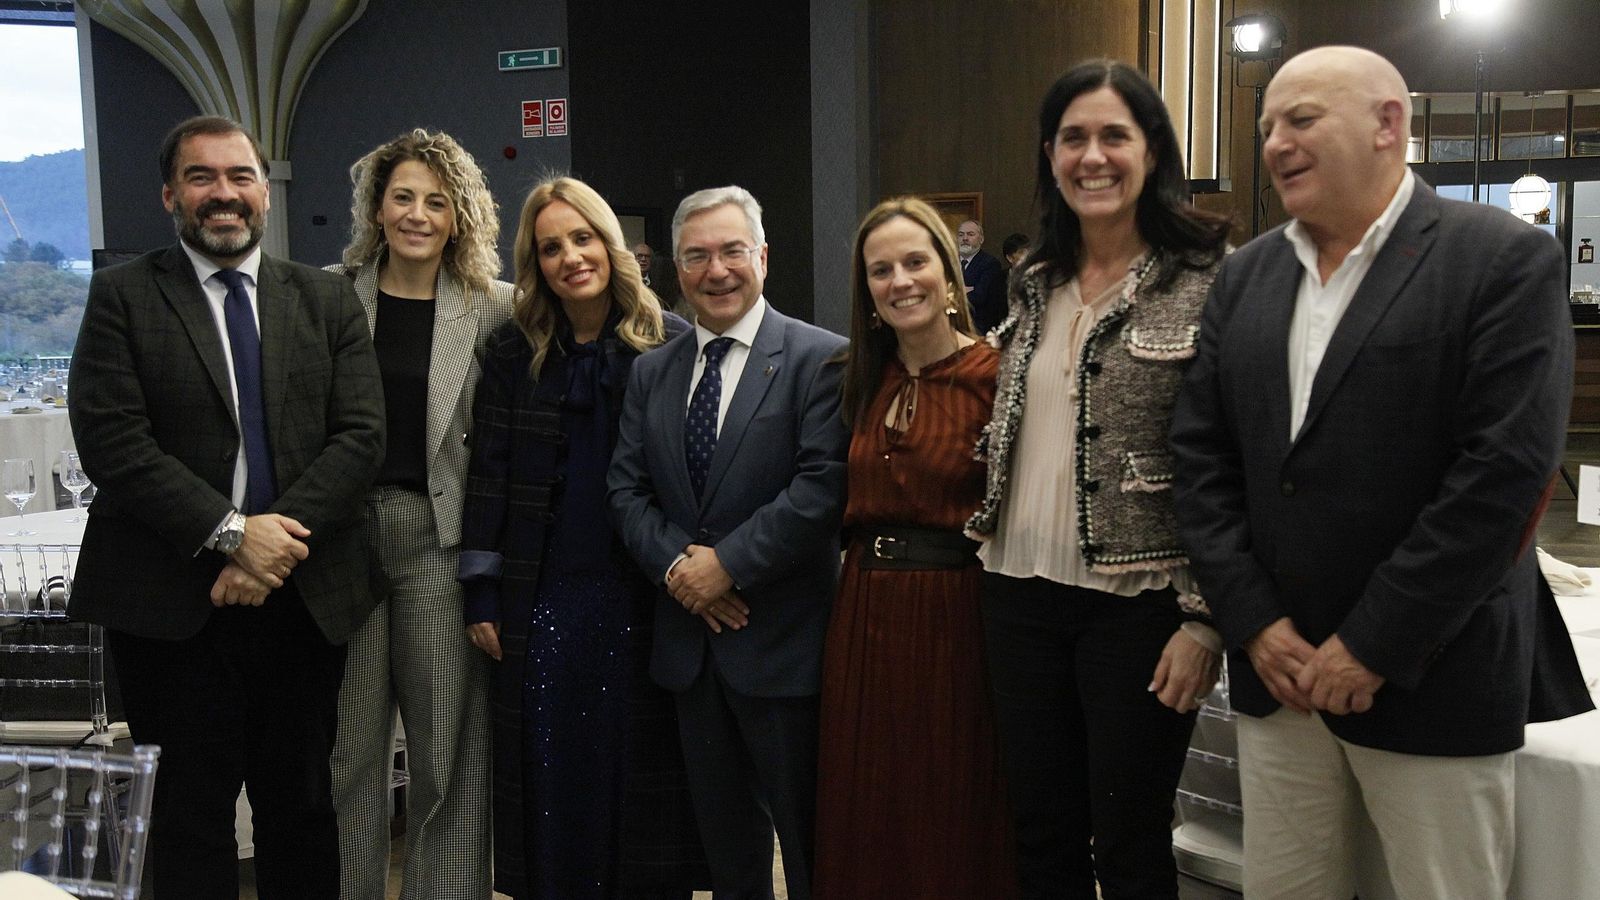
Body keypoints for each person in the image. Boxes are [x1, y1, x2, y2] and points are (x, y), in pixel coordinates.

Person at [1169, 46, 1593, 900]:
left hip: (1434, 671)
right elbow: (1201, 457)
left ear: (1387, 125)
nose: (1276, 143)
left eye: (1302, 119)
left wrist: (1370, 646)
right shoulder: (1245, 276)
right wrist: (1254, 623)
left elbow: (1503, 477)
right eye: (1268, 127)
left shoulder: (1500, 258)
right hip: (1279, 677)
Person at [67, 115, 384, 898]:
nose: (224, 193)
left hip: (300, 601)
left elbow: (360, 437)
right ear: (170, 195)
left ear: (265, 194)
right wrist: (234, 534)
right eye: (201, 177)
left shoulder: (327, 300)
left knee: (302, 811)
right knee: (186, 820)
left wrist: (270, 549)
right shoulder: (121, 297)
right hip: (170, 605)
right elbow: (113, 442)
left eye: (240, 176)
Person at [964, 59, 1230, 899]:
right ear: (1049, 156)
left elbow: (1236, 462)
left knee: (1130, 838)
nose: (1093, 156)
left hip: (1139, 606)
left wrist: (1206, 621)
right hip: (1016, 594)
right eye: (1072, 137)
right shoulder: (1033, 280)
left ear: (1152, 149)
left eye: (1114, 135)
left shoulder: (1209, 280)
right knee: (1040, 835)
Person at [458, 176, 707, 899]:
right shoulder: (513, 350)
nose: (570, 257)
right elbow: (489, 474)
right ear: (535, 264)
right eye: (551, 247)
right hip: (543, 598)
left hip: (646, 597)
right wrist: (482, 592)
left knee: (639, 777)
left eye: (582, 237)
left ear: (611, 243)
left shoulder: (673, 342)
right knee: (552, 776)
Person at [608, 185, 849, 900]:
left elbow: (821, 488)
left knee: (814, 851)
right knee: (727, 859)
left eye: (732, 251)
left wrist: (728, 567)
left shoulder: (821, 359)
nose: (716, 271)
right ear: (675, 268)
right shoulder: (652, 370)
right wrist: (683, 572)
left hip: (786, 648)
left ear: (763, 257)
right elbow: (625, 491)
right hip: (693, 654)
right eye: (696, 256)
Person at [325, 128, 513, 900]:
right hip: (343, 545)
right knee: (349, 756)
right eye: (402, 197)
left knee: (449, 754)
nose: (417, 214)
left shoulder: (496, 307)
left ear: (459, 215)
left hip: (441, 542)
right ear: (377, 207)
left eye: (436, 202)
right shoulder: (330, 294)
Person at [813, 196, 1016, 899]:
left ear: (949, 274)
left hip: (958, 616)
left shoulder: (996, 377)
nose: (900, 280)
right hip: (863, 612)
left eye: (914, 262)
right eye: (881, 270)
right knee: (867, 799)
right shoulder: (857, 379)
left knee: (951, 797)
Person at [957, 218, 1005, 334]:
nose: (965, 238)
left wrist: (953, 292)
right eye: (961, 235)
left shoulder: (990, 264)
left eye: (970, 234)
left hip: (978, 328)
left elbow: (979, 297)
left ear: (981, 239)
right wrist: (965, 290)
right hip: (951, 327)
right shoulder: (948, 261)